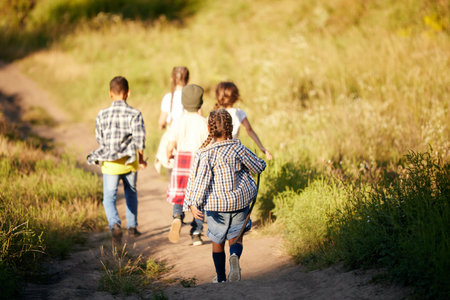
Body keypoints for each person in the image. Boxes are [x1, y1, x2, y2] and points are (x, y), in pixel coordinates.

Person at [184, 109, 266, 283]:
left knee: (217, 241)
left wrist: (193, 204)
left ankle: (221, 277)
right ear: (231, 127)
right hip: (239, 202)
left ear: (209, 128)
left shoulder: (205, 154)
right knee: (236, 236)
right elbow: (258, 167)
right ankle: (234, 256)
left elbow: (201, 182)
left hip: (216, 206)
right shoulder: (238, 147)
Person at [87, 76, 147, 240]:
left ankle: (114, 224)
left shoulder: (102, 114)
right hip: (129, 163)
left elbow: (100, 139)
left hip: (110, 164)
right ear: (128, 93)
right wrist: (141, 160)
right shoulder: (135, 114)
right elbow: (140, 140)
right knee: (131, 193)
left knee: (109, 197)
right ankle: (133, 227)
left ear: (110, 94)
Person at [166, 83, 208, 246]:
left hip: (181, 160)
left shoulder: (178, 121)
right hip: (198, 162)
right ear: (201, 102)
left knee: (180, 191)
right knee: (199, 197)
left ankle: (177, 217)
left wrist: (169, 155)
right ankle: (196, 233)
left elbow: (171, 145)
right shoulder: (203, 122)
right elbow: (207, 144)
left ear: (183, 103)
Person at [215, 81, 273, 160]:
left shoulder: (214, 114)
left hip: (216, 149)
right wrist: (261, 147)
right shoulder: (239, 113)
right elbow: (249, 130)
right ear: (236, 97)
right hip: (233, 150)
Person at [154, 66, 190, 173]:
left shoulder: (168, 98)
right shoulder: (192, 98)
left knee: (173, 169)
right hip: (187, 139)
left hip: (172, 141)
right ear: (188, 79)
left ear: (171, 79)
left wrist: (162, 126)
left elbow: (161, 121)